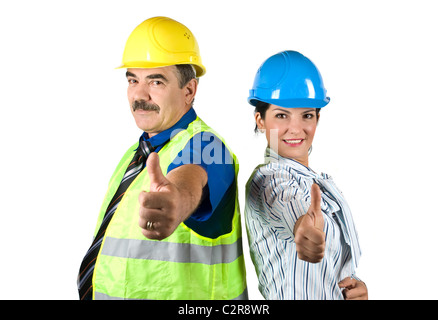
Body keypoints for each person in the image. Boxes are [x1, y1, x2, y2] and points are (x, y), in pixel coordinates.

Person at [77, 16, 247, 300]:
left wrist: (176, 201)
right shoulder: (136, 156)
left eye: (155, 81)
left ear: (189, 91)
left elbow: (189, 181)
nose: (139, 95)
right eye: (133, 80)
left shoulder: (208, 145)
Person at [244, 50, 367, 300]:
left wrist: (354, 286)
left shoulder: (319, 183)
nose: (296, 128)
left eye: (307, 115)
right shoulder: (268, 180)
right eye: (281, 115)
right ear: (260, 120)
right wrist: (303, 230)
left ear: (317, 118)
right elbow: (289, 209)